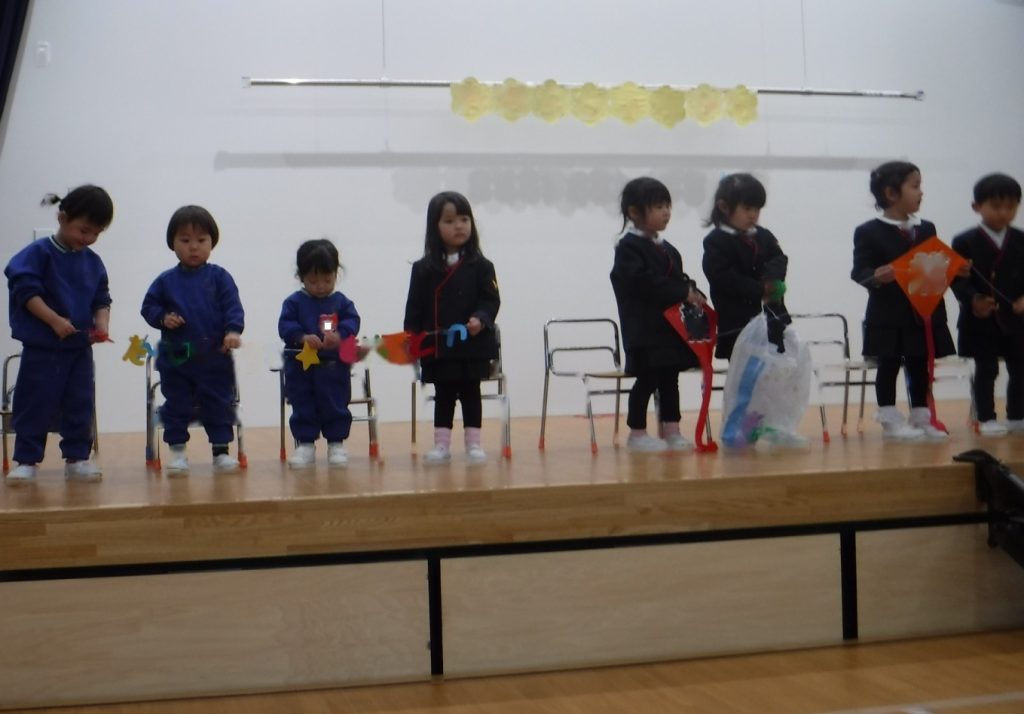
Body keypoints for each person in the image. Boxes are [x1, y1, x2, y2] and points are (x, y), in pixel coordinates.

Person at [4, 185, 113, 481]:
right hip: (42, 349)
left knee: (80, 402)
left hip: (78, 349)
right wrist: (53, 321)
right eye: (84, 230)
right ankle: (26, 459)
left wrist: (102, 323)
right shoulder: (38, 254)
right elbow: (26, 292)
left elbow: (101, 299)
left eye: (96, 234)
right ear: (62, 218)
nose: (88, 239)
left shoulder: (93, 262)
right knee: (34, 402)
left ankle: (77, 458)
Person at [851, 161, 958, 441]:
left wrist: (951, 268)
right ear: (891, 193)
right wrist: (877, 275)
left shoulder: (926, 228)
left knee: (919, 364)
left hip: (922, 312)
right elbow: (859, 272)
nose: (921, 192)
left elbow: (932, 264)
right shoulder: (868, 231)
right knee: (888, 366)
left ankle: (921, 416)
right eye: (915, 186)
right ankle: (889, 420)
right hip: (888, 314)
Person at [141, 205, 244, 474]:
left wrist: (233, 331)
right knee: (177, 404)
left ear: (212, 242)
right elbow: (148, 307)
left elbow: (233, 308)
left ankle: (221, 452)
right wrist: (163, 318)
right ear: (172, 244)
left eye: (201, 240)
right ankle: (177, 453)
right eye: (185, 240)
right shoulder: (165, 281)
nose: (194, 247)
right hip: (177, 358)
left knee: (219, 403)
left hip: (215, 357)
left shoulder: (220, 277)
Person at [404, 191, 500, 464]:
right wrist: (411, 337)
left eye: (464, 219)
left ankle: (473, 444)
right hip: (439, 345)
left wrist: (480, 319)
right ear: (434, 226)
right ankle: (441, 445)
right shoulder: (423, 269)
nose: (459, 226)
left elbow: (491, 300)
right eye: (449, 221)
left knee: (471, 393)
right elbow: (414, 306)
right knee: (444, 394)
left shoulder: (482, 266)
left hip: (473, 344)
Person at [610, 177, 704, 453]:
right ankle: (637, 432)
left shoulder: (667, 248)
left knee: (670, 379)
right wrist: (681, 292)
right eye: (658, 207)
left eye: (667, 206)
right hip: (645, 330)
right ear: (634, 212)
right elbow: (643, 282)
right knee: (647, 380)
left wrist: (692, 291)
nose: (666, 213)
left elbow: (678, 279)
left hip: (670, 329)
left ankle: (672, 430)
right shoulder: (628, 247)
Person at [951, 173, 1024, 437]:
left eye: (1011, 207)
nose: (1003, 213)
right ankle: (986, 417)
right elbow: (956, 279)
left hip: (1016, 318)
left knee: (1020, 367)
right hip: (980, 319)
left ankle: (1017, 415)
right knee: (986, 369)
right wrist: (974, 299)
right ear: (976, 206)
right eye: (996, 206)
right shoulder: (964, 241)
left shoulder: (1021, 239)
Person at [278, 239, 360, 468]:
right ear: (301, 277)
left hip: (333, 367)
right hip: (301, 367)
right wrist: (302, 337)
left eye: (327, 280)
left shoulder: (342, 302)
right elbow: (285, 326)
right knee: (303, 403)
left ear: (336, 274)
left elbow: (353, 321)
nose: (321, 286)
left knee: (336, 402)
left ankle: (336, 443)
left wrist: (341, 335)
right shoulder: (293, 303)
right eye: (313, 281)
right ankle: (305, 444)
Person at [701, 173, 790, 360]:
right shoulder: (715, 242)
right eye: (747, 208)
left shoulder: (763, 235)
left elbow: (779, 258)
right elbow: (723, 277)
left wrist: (771, 279)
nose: (753, 215)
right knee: (744, 373)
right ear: (724, 207)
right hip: (737, 326)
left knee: (776, 369)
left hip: (771, 319)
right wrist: (760, 289)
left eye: (757, 209)